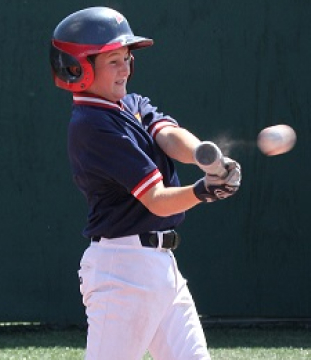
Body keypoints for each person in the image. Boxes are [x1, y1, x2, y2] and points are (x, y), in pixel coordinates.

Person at [49, 6, 241, 360]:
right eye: (113, 61)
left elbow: (167, 135)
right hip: (122, 271)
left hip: (160, 267)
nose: (125, 68)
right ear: (78, 69)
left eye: (126, 58)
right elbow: (156, 198)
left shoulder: (128, 104)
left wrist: (207, 157)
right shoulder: (92, 125)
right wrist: (204, 190)